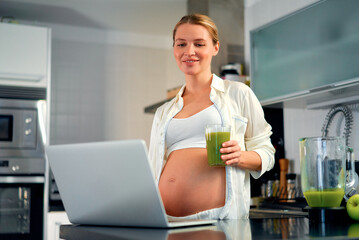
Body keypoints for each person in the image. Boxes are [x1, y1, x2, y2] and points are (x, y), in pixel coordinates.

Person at [148, 13, 275, 219]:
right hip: (165, 221)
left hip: (217, 220)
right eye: (181, 44)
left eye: (199, 44)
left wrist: (241, 156)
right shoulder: (164, 112)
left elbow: (267, 153)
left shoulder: (238, 93)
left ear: (215, 48)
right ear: (174, 49)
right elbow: (153, 170)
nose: (189, 52)